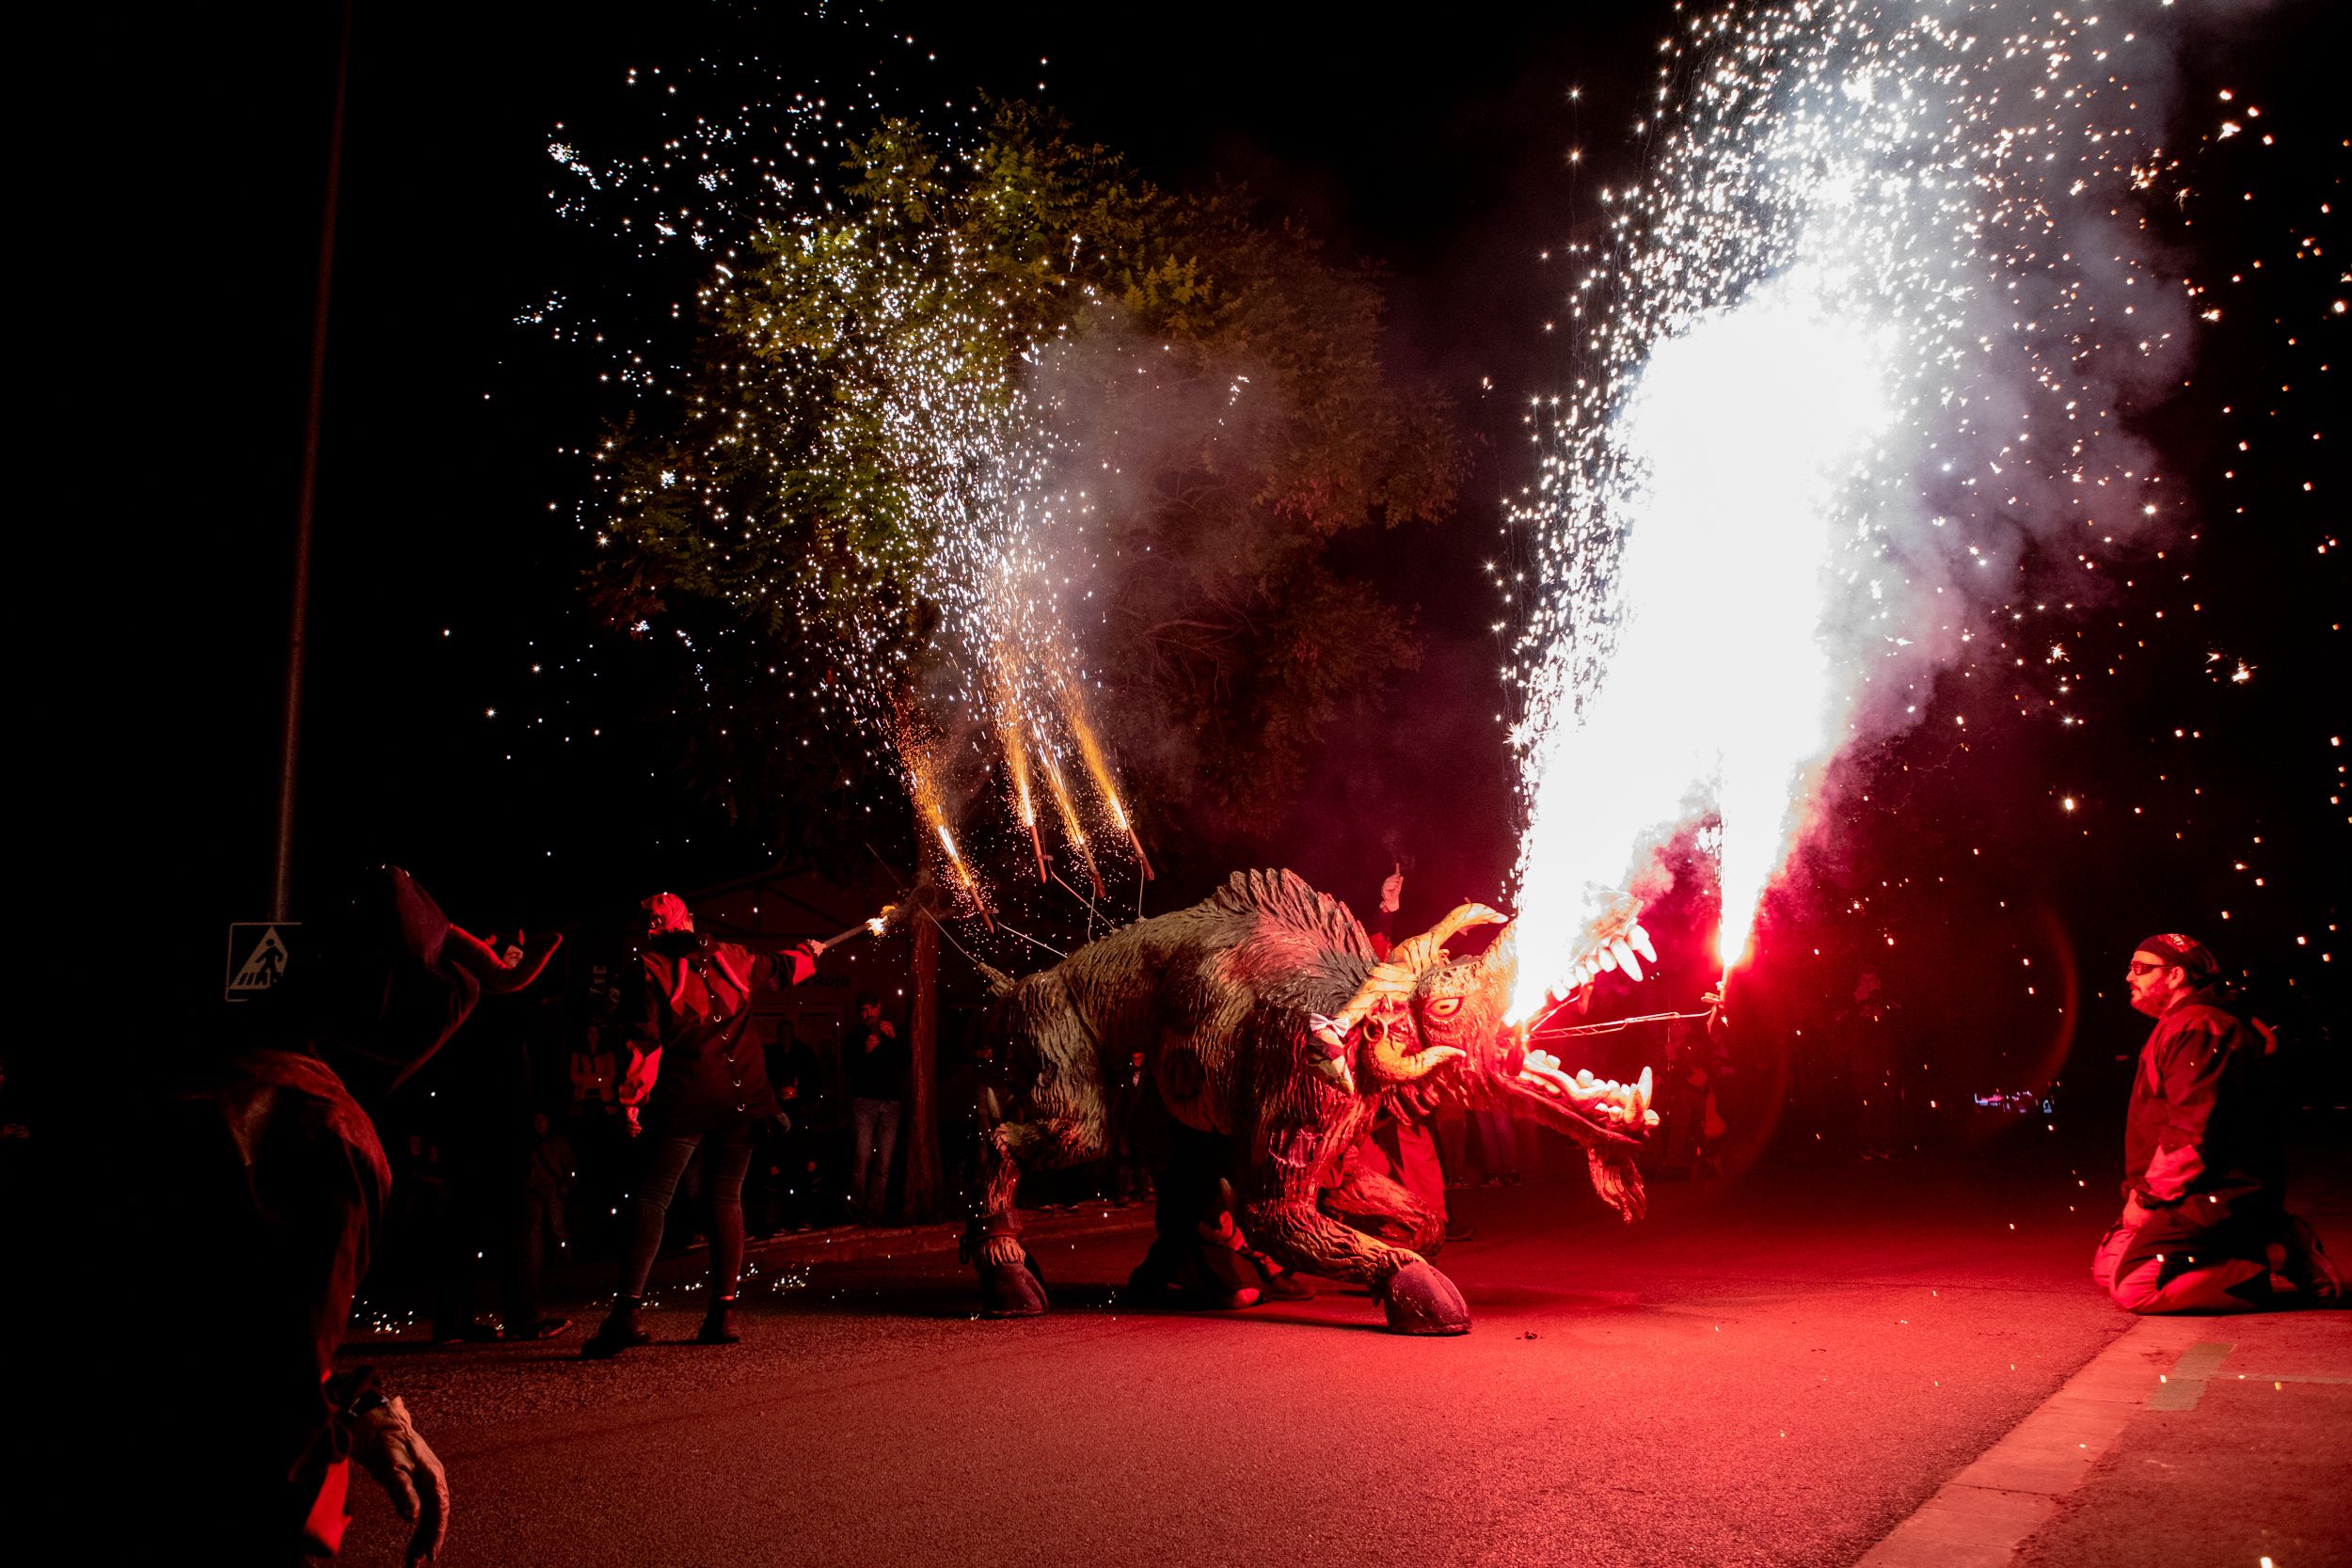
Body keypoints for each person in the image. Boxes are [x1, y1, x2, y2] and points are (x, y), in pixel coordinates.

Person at [155, 864, 557, 1565]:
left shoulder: (174, 1084)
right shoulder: (322, 1130)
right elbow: (268, 1410)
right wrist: (336, 1431)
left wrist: (355, 1403)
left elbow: (220, 1345)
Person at [581, 894, 821, 1357]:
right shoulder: (729, 954)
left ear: (651, 929)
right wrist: (807, 954)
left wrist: (629, 1101)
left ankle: (626, 1315)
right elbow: (778, 968)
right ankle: (722, 1314)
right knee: (725, 1197)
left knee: (652, 1197)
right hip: (742, 1095)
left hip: (687, 1096)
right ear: (687, 920)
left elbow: (644, 1042)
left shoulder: (647, 969)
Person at [2090, 932, 2339, 1313]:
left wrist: (2147, 1199)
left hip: (2213, 1195)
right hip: (2187, 1191)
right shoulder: (2183, 1023)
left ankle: (2280, 1252)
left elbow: (2192, 1133)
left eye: (2140, 969)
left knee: (2134, 1288)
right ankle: (2255, 1239)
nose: (2128, 977)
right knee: (2108, 1269)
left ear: (2175, 976)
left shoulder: (2198, 1028)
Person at [844, 992, 909, 1225]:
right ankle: (856, 1209)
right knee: (861, 1157)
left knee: (883, 1161)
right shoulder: (854, 1036)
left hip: (891, 1103)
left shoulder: (894, 1032)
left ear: (879, 1007)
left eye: (872, 1008)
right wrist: (866, 1051)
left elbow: (906, 1063)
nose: (869, 1014)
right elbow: (847, 1068)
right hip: (864, 1103)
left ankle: (875, 1212)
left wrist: (894, 1037)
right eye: (864, 1010)